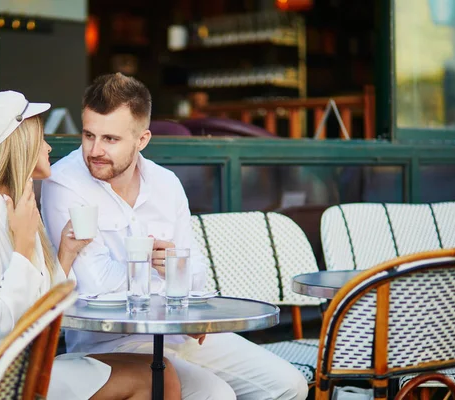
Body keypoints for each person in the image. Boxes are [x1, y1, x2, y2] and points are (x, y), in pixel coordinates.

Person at [41, 73, 309, 400]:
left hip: (183, 332)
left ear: (142, 140)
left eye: (110, 139)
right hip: (115, 342)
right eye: (88, 135)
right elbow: (94, 288)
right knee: (216, 395)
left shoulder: (166, 184)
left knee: (288, 384)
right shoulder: (64, 184)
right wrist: (153, 267)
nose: (95, 150)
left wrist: (172, 271)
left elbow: (195, 275)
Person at [0, 90, 181, 400]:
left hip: (27, 363)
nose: (49, 147)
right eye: (41, 140)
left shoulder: (21, 208)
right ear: (20, 147)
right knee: (156, 377)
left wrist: (65, 255)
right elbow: (1, 322)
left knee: (162, 369)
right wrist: (23, 247)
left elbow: (41, 308)